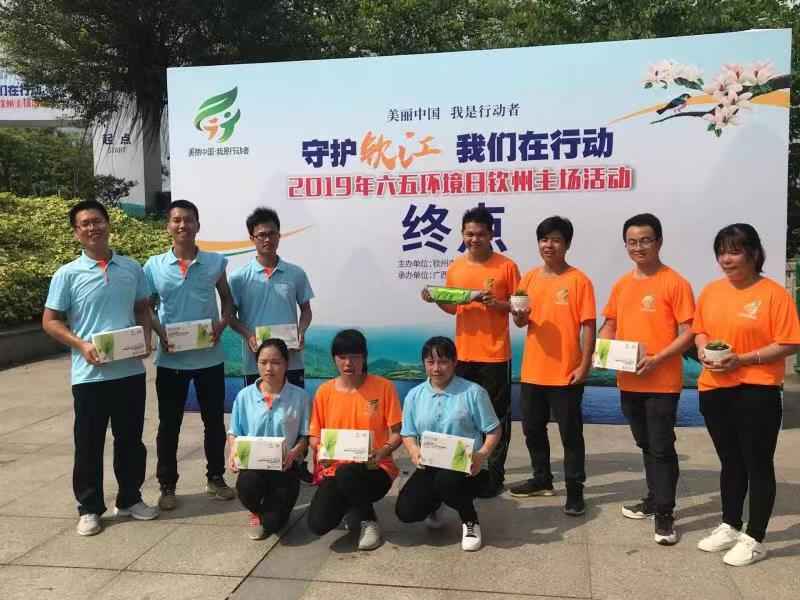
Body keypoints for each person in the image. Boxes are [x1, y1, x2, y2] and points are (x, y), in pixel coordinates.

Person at [42, 199, 158, 536]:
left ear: (108, 224)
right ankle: (90, 507)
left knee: (131, 441)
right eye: (85, 224)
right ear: (76, 232)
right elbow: (50, 321)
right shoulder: (67, 274)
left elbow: (142, 308)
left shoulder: (131, 268)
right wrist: (81, 345)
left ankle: (130, 498)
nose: (93, 228)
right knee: (89, 443)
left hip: (129, 372)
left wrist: (146, 337)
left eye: (97, 221)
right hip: (89, 375)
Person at [693, 224, 800, 566]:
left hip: (757, 390)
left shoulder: (773, 294)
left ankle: (755, 537)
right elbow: (699, 331)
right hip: (714, 388)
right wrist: (703, 350)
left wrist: (744, 359)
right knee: (730, 461)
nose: (726, 259)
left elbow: (789, 342)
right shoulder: (711, 291)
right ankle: (730, 524)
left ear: (753, 253)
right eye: (721, 252)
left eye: (734, 251)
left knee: (757, 463)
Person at [598, 213, 695, 545]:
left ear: (659, 242)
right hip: (629, 380)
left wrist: (657, 359)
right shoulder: (622, 284)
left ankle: (665, 512)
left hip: (662, 381)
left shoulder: (674, 282)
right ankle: (654, 498)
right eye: (632, 242)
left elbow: (688, 332)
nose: (638, 247)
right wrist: (604, 350)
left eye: (645, 241)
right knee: (645, 443)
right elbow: (610, 323)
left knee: (661, 446)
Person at [421, 205, 520, 497]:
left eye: (480, 234)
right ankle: (463, 468)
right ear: (462, 235)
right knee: (462, 415)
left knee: (496, 417)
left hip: (495, 355)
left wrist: (498, 304)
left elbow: (519, 308)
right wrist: (435, 299)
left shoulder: (506, 267)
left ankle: (495, 475)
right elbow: (453, 308)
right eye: (469, 234)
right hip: (462, 354)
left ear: (491, 235)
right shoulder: (456, 267)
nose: (474, 239)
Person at [143, 199, 236, 509]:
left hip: (210, 358)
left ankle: (216, 478)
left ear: (198, 225)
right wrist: (160, 333)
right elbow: (146, 307)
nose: (183, 225)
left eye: (189, 220)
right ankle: (167, 485)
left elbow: (227, 300)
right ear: (168, 226)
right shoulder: (154, 266)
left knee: (214, 423)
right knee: (169, 425)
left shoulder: (215, 262)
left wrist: (222, 324)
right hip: (171, 360)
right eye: (177, 220)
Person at [509, 216, 596, 516]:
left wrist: (584, 365)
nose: (549, 245)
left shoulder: (579, 280)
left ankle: (575, 490)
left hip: (566, 373)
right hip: (533, 371)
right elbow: (520, 320)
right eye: (544, 239)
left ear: (567, 244)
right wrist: (519, 317)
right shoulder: (529, 279)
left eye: (556, 240)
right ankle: (542, 479)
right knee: (532, 429)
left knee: (570, 435)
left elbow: (588, 326)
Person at [229, 206, 314, 483]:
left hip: (291, 359)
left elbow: (306, 310)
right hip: (256, 361)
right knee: (258, 414)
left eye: (272, 233)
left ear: (279, 235)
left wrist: (301, 331)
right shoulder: (239, 277)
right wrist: (248, 334)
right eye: (261, 234)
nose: (267, 239)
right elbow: (230, 317)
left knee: (295, 414)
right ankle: (257, 463)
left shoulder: (295, 273)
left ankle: (298, 463)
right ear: (252, 238)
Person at [395, 337, 501, 551]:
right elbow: (408, 432)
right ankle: (437, 503)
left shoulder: (473, 392)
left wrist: (481, 455)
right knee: (406, 511)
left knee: (447, 482)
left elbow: (494, 430)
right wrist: (414, 450)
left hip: (467, 466)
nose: (436, 368)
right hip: (431, 464)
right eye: (430, 362)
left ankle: (470, 520)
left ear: (454, 362)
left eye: (443, 361)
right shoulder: (414, 395)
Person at [307, 329, 402, 551]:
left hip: (375, 468)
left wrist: (384, 451)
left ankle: (368, 520)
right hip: (335, 468)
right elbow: (314, 435)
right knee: (318, 524)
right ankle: (352, 505)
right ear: (334, 359)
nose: (348, 363)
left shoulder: (383, 387)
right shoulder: (324, 392)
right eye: (342, 357)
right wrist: (320, 449)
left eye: (355, 356)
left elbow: (398, 432)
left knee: (348, 474)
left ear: (364, 357)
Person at [228, 339, 310, 540]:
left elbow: (305, 435)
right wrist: (233, 452)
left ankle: (276, 511)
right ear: (256, 364)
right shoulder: (244, 396)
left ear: (286, 364)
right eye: (263, 362)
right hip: (253, 465)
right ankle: (256, 511)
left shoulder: (300, 397)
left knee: (274, 524)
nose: (269, 368)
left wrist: (294, 453)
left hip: (285, 466)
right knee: (247, 487)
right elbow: (234, 432)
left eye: (275, 362)